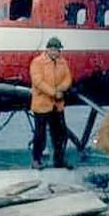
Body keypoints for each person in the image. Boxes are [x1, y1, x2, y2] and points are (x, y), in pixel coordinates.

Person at [29, 36, 73, 169]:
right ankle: (36, 160)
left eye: (57, 50)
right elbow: (38, 82)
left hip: (57, 106)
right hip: (42, 105)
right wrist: (54, 92)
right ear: (47, 50)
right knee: (40, 135)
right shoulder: (37, 62)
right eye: (53, 50)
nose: (55, 52)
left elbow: (68, 78)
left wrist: (61, 88)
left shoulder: (62, 62)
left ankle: (59, 160)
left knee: (60, 134)